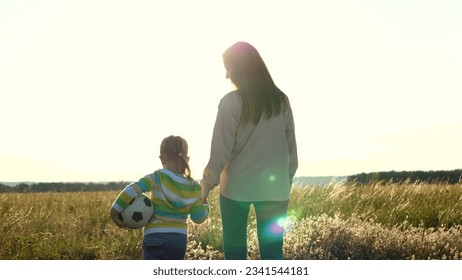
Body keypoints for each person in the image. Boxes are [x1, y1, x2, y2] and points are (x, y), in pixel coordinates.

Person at [201, 41, 298, 260]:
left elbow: (220, 151)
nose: (226, 75)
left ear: (240, 68)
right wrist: (285, 183)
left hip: (235, 189)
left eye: (228, 67)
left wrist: (206, 186)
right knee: (273, 254)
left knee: (235, 255)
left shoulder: (230, 103)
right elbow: (292, 152)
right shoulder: (281, 101)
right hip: (275, 190)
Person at [110, 135, 210, 260]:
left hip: (155, 236)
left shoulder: (156, 177)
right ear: (187, 159)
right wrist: (206, 206)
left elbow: (131, 190)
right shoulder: (194, 186)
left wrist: (115, 211)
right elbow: (198, 217)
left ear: (162, 159)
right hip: (179, 241)